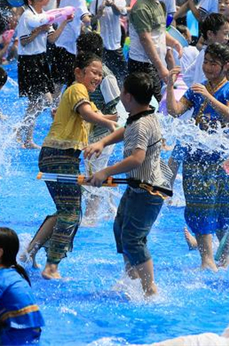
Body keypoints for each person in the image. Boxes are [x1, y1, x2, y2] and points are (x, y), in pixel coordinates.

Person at [23, 52, 117, 279]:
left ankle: (29, 253)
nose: (98, 77)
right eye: (94, 72)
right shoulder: (77, 89)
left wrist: (121, 121)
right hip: (59, 156)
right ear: (78, 72)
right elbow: (88, 114)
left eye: (100, 74)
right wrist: (108, 123)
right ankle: (51, 265)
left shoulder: (83, 95)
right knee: (72, 213)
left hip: (60, 157)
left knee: (65, 210)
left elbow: (98, 117)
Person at [84, 71, 170, 296]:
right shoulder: (141, 115)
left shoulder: (142, 124)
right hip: (138, 187)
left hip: (149, 191)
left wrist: (105, 172)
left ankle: (150, 288)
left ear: (129, 97)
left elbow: (137, 158)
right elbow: (126, 130)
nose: (120, 94)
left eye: (123, 91)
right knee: (120, 228)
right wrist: (102, 142)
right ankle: (131, 276)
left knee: (133, 239)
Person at [167, 43, 229, 271]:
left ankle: (224, 256)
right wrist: (170, 86)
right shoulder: (196, 89)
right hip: (196, 156)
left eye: (213, 63)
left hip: (221, 158)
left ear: (225, 66)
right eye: (206, 62)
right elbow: (175, 111)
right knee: (198, 206)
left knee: (222, 209)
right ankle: (206, 260)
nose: (208, 67)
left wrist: (208, 96)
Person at [77, 33, 121, 226]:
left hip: (104, 134)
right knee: (93, 171)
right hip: (92, 132)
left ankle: (91, 217)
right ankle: (110, 209)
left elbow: (117, 110)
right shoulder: (86, 73)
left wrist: (94, 116)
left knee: (94, 173)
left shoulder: (106, 77)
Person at [14, 0, 58, 148]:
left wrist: (64, 24)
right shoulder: (27, 16)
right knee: (44, 101)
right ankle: (21, 132)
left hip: (41, 60)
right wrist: (40, 29)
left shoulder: (43, 15)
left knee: (36, 103)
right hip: (29, 62)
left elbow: (52, 39)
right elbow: (24, 41)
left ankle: (26, 137)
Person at [128, 0, 174, 100]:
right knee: (155, 106)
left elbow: (159, 32)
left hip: (153, 63)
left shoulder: (158, 3)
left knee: (156, 107)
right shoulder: (142, 7)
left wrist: (175, 43)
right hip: (142, 65)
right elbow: (145, 39)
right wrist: (161, 68)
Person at [50, 0, 93, 88]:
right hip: (69, 46)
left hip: (59, 42)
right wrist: (93, 16)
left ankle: (52, 105)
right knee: (70, 83)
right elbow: (86, 20)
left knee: (57, 83)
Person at [91, 0, 128, 82]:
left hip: (116, 44)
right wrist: (99, 13)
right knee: (101, 73)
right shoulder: (96, 1)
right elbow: (91, 21)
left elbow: (121, 13)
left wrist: (113, 5)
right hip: (101, 43)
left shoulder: (121, 1)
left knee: (122, 73)